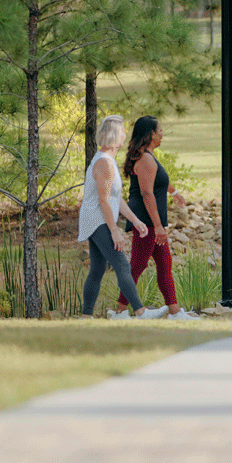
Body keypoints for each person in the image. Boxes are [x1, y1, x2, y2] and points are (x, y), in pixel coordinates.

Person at [77, 115, 167, 320]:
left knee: (98, 269)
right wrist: (114, 230)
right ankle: (140, 311)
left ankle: (85, 317)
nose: (126, 135)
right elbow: (104, 200)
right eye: (123, 132)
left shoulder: (107, 160)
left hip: (96, 218)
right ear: (115, 136)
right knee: (122, 264)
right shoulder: (104, 163)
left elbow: (115, 198)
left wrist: (135, 220)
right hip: (98, 220)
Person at [118, 116, 199, 320]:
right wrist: (157, 225)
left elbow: (158, 182)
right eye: (160, 130)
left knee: (164, 264)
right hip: (146, 221)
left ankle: (174, 312)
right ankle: (119, 311)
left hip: (150, 220)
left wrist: (174, 193)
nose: (163, 134)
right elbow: (147, 193)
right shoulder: (145, 159)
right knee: (137, 265)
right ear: (151, 134)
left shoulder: (149, 157)